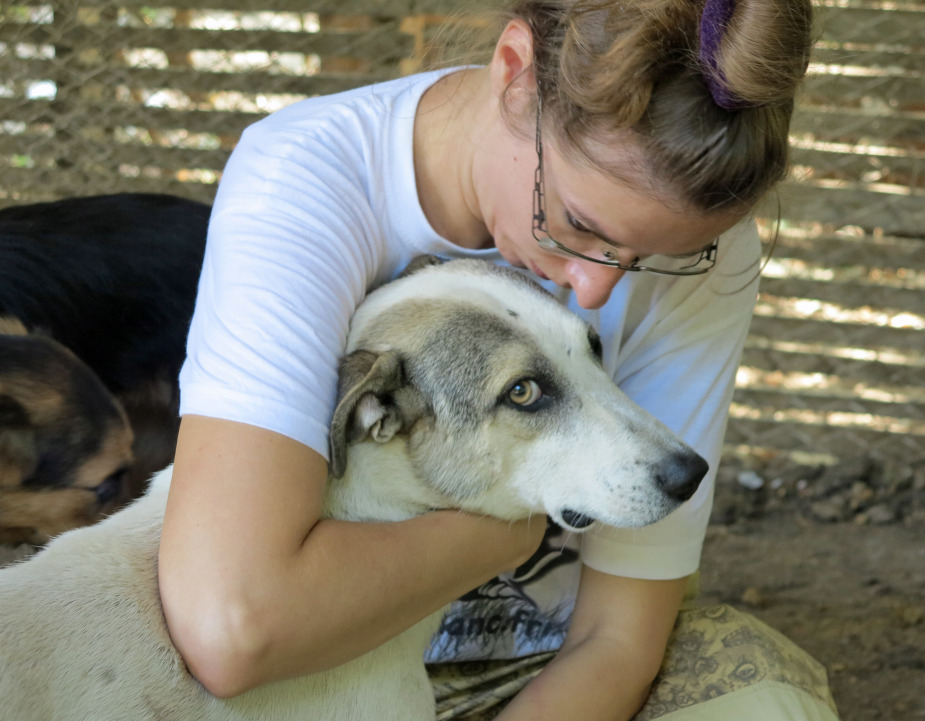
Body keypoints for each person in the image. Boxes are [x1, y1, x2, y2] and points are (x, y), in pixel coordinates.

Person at [158, 0, 838, 719]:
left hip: (546, 663)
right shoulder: (305, 177)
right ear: (514, 73)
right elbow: (231, 628)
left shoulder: (707, 241)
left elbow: (615, 637)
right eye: (578, 222)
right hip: (325, 654)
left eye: (656, 257)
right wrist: (509, 526)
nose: (595, 286)